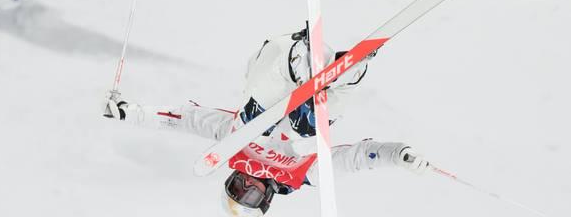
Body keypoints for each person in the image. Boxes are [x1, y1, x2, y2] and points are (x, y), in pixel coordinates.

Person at [104, 28, 430, 216]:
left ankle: (297, 65)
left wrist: (129, 112)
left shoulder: (230, 143)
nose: (247, 184)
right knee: (309, 131)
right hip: (312, 110)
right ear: (265, 201)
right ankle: (347, 74)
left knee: (252, 111)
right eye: (248, 196)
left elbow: (185, 120)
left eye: (236, 186)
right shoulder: (305, 174)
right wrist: (399, 155)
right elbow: (357, 158)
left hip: (274, 82)